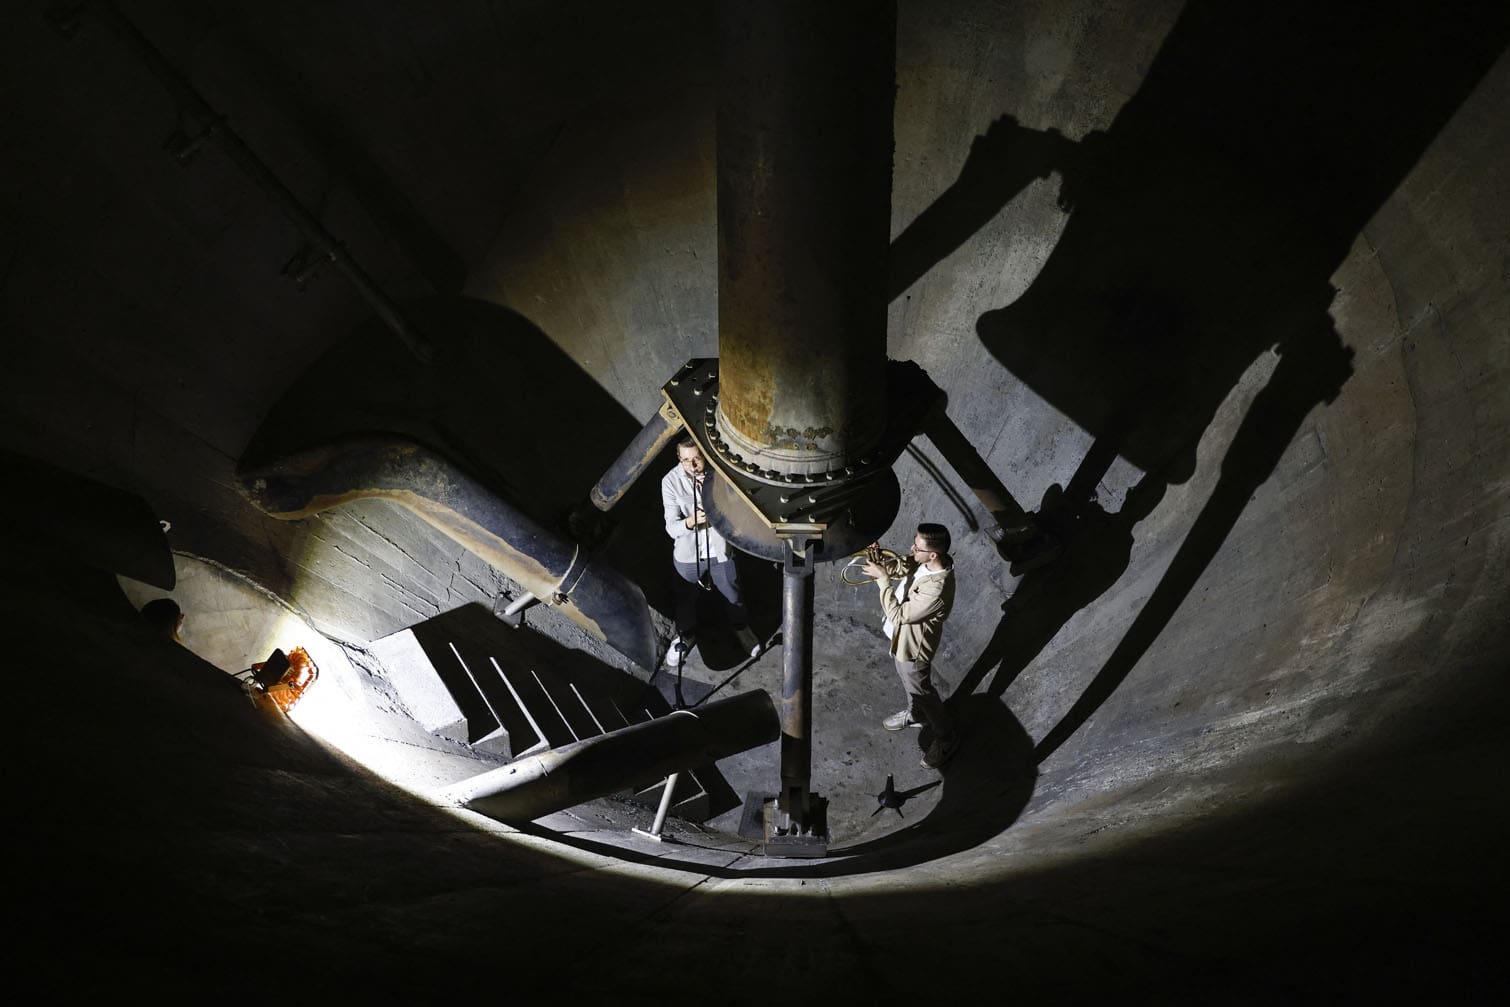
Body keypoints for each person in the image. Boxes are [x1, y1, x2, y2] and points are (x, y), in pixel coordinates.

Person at [862, 523, 962, 769]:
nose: (911, 549)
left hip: (913, 649)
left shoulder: (936, 590)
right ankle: (916, 714)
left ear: (933, 554)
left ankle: (946, 737)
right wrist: (879, 560)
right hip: (901, 639)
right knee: (909, 683)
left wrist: (883, 580)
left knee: (923, 693)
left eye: (917, 547)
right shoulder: (925, 561)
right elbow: (903, 566)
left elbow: (898, 615)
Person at [660, 438, 759, 665]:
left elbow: (742, 511)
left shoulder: (721, 474)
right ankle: (685, 636)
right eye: (686, 460)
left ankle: (741, 628)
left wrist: (715, 492)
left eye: (696, 458)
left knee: (733, 594)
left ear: (704, 455)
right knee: (685, 599)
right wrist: (690, 522)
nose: (692, 465)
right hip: (688, 555)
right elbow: (671, 527)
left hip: (720, 551)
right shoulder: (670, 482)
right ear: (679, 460)